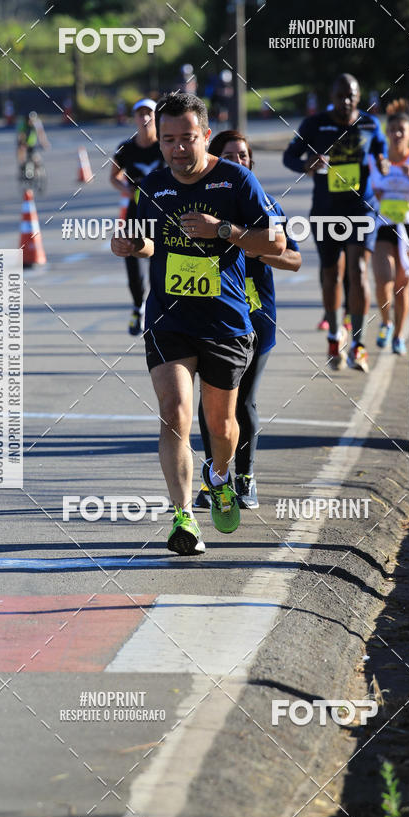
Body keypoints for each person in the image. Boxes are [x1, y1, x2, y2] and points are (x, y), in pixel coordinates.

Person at [111, 92, 285, 555]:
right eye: (168, 140)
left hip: (225, 321)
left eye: (187, 138)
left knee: (221, 424)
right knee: (173, 415)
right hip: (169, 318)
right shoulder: (152, 184)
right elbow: (147, 242)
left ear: (205, 135)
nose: (177, 149)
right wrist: (130, 246)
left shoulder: (237, 181)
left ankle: (222, 476)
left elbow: (276, 241)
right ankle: (184, 517)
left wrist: (223, 230)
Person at [194, 131, 301, 510]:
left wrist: (256, 249)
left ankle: (246, 477)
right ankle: (213, 480)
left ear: (251, 162)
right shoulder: (203, 203)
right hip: (214, 316)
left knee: (243, 404)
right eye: (229, 156)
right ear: (214, 159)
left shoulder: (266, 204)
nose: (238, 162)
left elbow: (294, 257)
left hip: (257, 318)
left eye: (243, 156)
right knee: (212, 405)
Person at [283, 73, 388, 373]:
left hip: (361, 208)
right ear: (331, 97)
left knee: (359, 270)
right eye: (340, 95)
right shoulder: (314, 124)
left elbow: (381, 151)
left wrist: (382, 161)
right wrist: (306, 165)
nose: (345, 101)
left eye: (351, 96)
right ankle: (333, 336)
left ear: (358, 97)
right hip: (326, 211)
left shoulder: (370, 124)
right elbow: (289, 156)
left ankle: (358, 344)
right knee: (331, 274)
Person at [369, 106, 409, 355]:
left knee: (402, 285)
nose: (396, 134)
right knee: (383, 279)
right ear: (386, 132)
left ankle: (398, 335)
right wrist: (375, 195)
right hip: (384, 225)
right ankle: (386, 322)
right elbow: (365, 193)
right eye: (392, 129)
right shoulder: (378, 162)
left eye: (401, 130)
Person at [110, 98, 164, 335]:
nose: (144, 118)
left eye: (148, 113)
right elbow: (114, 176)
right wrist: (126, 189)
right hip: (137, 211)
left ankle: (160, 307)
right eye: (140, 114)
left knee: (160, 256)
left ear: (156, 117)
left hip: (164, 211)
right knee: (130, 253)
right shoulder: (126, 148)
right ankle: (137, 305)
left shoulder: (165, 143)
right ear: (134, 118)